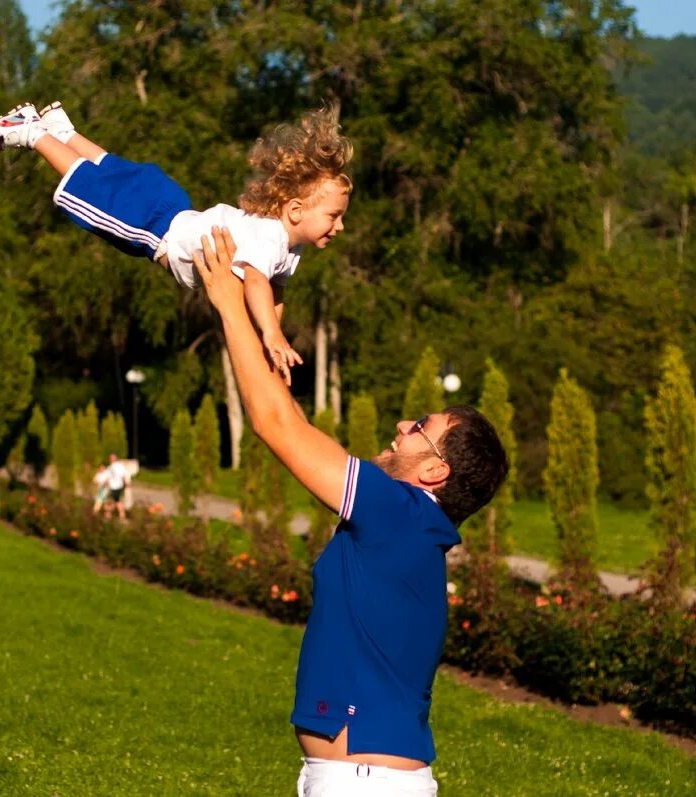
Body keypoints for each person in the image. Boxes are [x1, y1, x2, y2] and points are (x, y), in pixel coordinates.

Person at [191, 227, 508, 797]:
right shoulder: (411, 525)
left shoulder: (402, 513)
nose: (400, 427)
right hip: (358, 778)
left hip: (365, 783)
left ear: (435, 472)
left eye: (418, 430)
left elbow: (276, 427)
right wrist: (268, 338)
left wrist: (228, 305)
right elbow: (289, 420)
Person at [0, 100, 352, 385]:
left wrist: (270, 341)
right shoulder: (271, 237)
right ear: (297, 210)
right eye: (333, 216)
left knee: (113, 173)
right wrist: (270, 335)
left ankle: (62, 130)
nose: (339, 226)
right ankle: (31, 132)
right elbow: (256, 282)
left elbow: (274, 291)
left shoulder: (289, 246)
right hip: (157, 230)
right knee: (92, 190)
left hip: (173, 203)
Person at [103, 453, 131, 521]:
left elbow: (123, 475)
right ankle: (120, 515)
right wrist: (106, 482)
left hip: (117, 486)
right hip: (112, 486)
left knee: (113, 501)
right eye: (111, 458)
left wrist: (126, 483)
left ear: (115, 458)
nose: (112, 459)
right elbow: (108, 476)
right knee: (115, 501)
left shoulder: (119, 466)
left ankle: (110, 514)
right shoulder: (110, 467)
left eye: (113, 457)